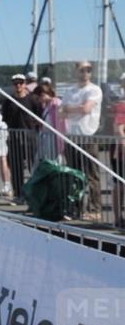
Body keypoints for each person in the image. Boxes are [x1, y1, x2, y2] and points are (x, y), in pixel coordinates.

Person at [60, 61, 104, 219]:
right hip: (72, 136)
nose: (85, 73)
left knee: (92, 174)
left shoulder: (94, 90)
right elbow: (61, 112)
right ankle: (76, 208)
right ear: (76, 72)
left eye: (88, 70)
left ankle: (94, 209)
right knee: (74, 175)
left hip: (88, 136)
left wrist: (70, 109)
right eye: (82, 70)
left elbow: (86, 109)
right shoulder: (69, 90)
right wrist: (77, 108)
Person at [1, 74, 42, 200]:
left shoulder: (32, 100)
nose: (18, 85)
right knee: (16, 168)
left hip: (30, 137)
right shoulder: (8, 101)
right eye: (15, 83)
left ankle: (36, 193)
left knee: (33, 166)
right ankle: (18, 194)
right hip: (14, 138)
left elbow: (39, 116)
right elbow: (5, 118)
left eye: (20, 82)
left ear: (25, 84)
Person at [112, 74, 125, 228]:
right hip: (120, 153)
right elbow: (119, 130)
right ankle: (117, 218)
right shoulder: (121, 105)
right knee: (119, 185)